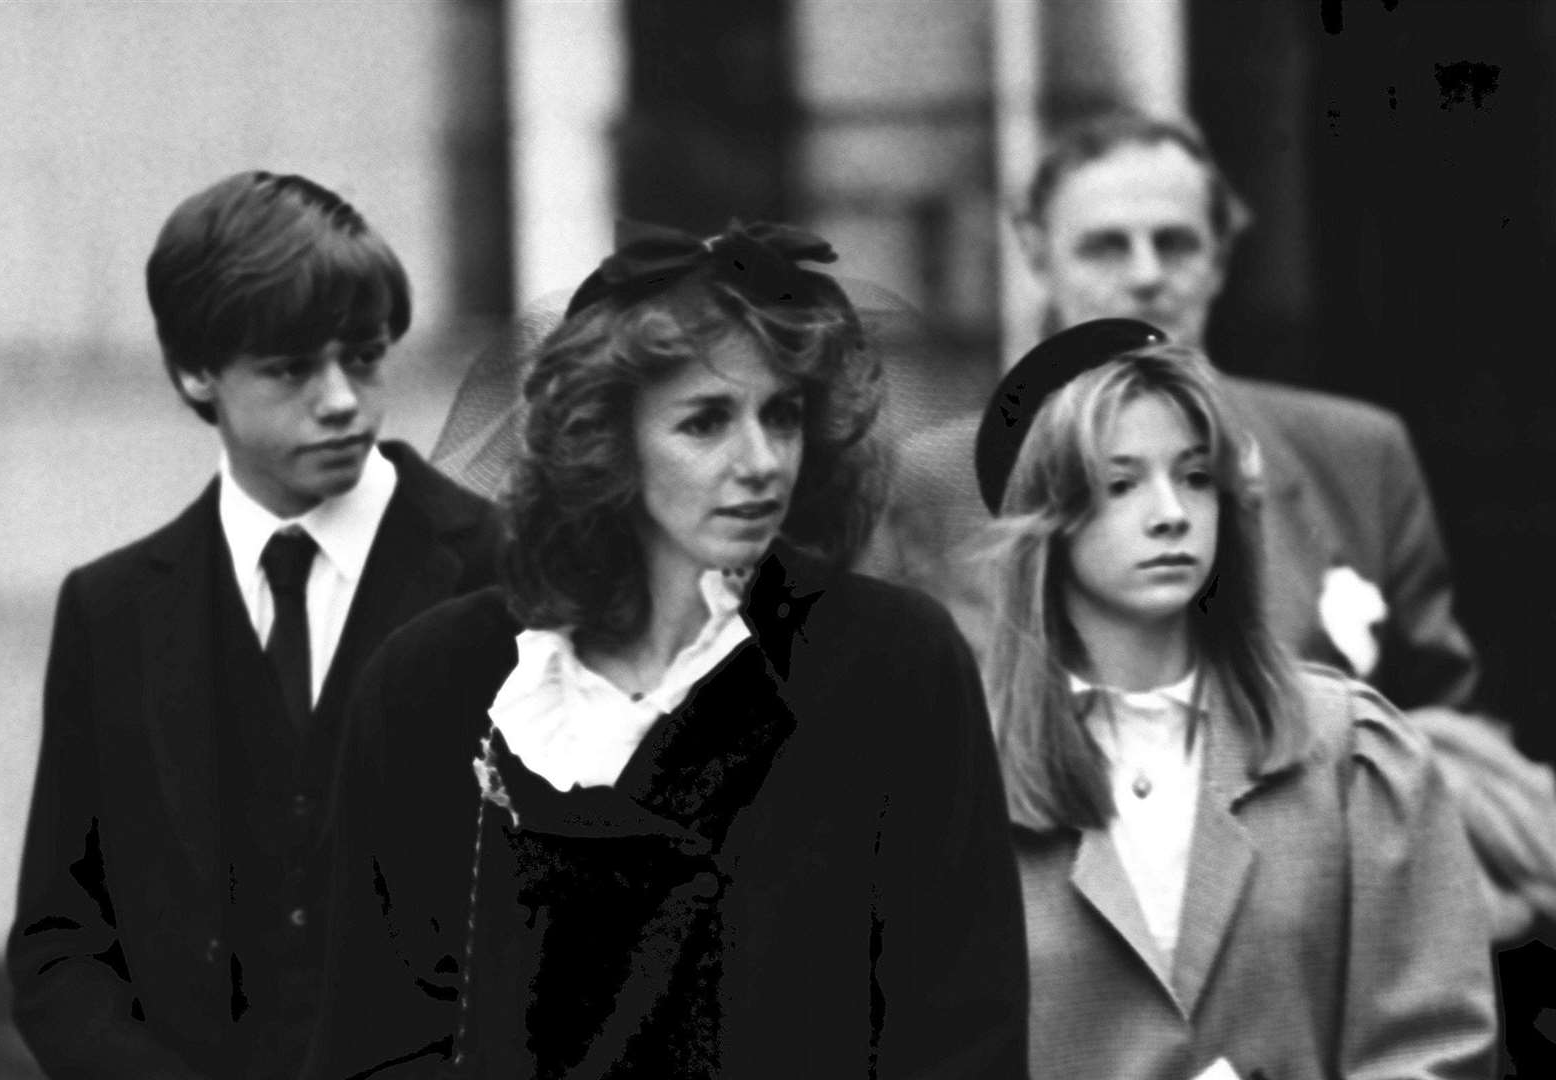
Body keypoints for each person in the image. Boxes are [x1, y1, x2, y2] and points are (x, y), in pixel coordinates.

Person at [308, 221, 1028, 1078]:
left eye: (784, 415)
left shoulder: (892, 664)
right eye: (706, 422)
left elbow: (960, 1032)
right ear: (607, 440)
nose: (761, 461)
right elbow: (378, 1039)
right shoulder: (436, 683)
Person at [865, 108, 1556, 942]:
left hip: (1320, 930)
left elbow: (1437, 724)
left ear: (1222, 256)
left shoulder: (1353, 453)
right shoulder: (937, 480)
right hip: (1053, 929)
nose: (1147, 274)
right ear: (1037, 252)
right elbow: (899, 746)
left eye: (1177, 243)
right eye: (1107, 246)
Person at [6, 171, 501, 1078]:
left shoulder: (509, 574)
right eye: (291, 369)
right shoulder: (110, 612)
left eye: (363, 356)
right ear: (198, 371)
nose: (343, 398)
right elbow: (58, 945)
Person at [969, 319, 1495, 1080]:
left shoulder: (1350, 750)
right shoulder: (961, 773)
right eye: (1121, 484)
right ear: (1047, 519)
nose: (1171, 513)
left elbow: (1434, 1048)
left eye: (1193, 476)